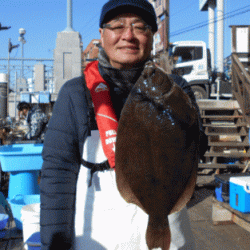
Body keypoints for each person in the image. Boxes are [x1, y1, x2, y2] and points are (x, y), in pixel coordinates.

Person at [40, 0, 208, 249]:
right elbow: (58, 176)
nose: (128, 35)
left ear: (152, 37)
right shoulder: (76, 93)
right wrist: (55, 244)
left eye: (140, 28)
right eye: (117, 26)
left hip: (170, 233)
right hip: (99, 239)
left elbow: (198, 150)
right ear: (101, 35)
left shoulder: (177, 88)